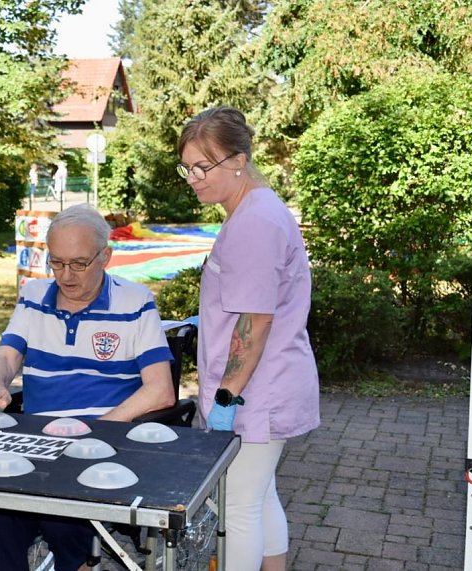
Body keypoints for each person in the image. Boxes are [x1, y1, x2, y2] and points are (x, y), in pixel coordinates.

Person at [0, 203, 175, 571]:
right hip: (39, 443)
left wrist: (95, 431)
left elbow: (161, 391)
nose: (66, 276)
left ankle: (78, 563)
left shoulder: (135, 301)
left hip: (103, 443)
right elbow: (7, 357)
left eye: (79, 263)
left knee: (65, 511)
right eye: (56, 263)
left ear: (105, 256)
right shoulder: (33, 296)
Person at [176, 106, 320, 571]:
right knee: (259, 496)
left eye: (203, 166)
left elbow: (254, 326)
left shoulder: (254, 222)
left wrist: (224, 402)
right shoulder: (259, 207)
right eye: (187, 167)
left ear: (238, 159)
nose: (194, 178)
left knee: (235, 509)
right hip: (267, 388)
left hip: (253, 395)